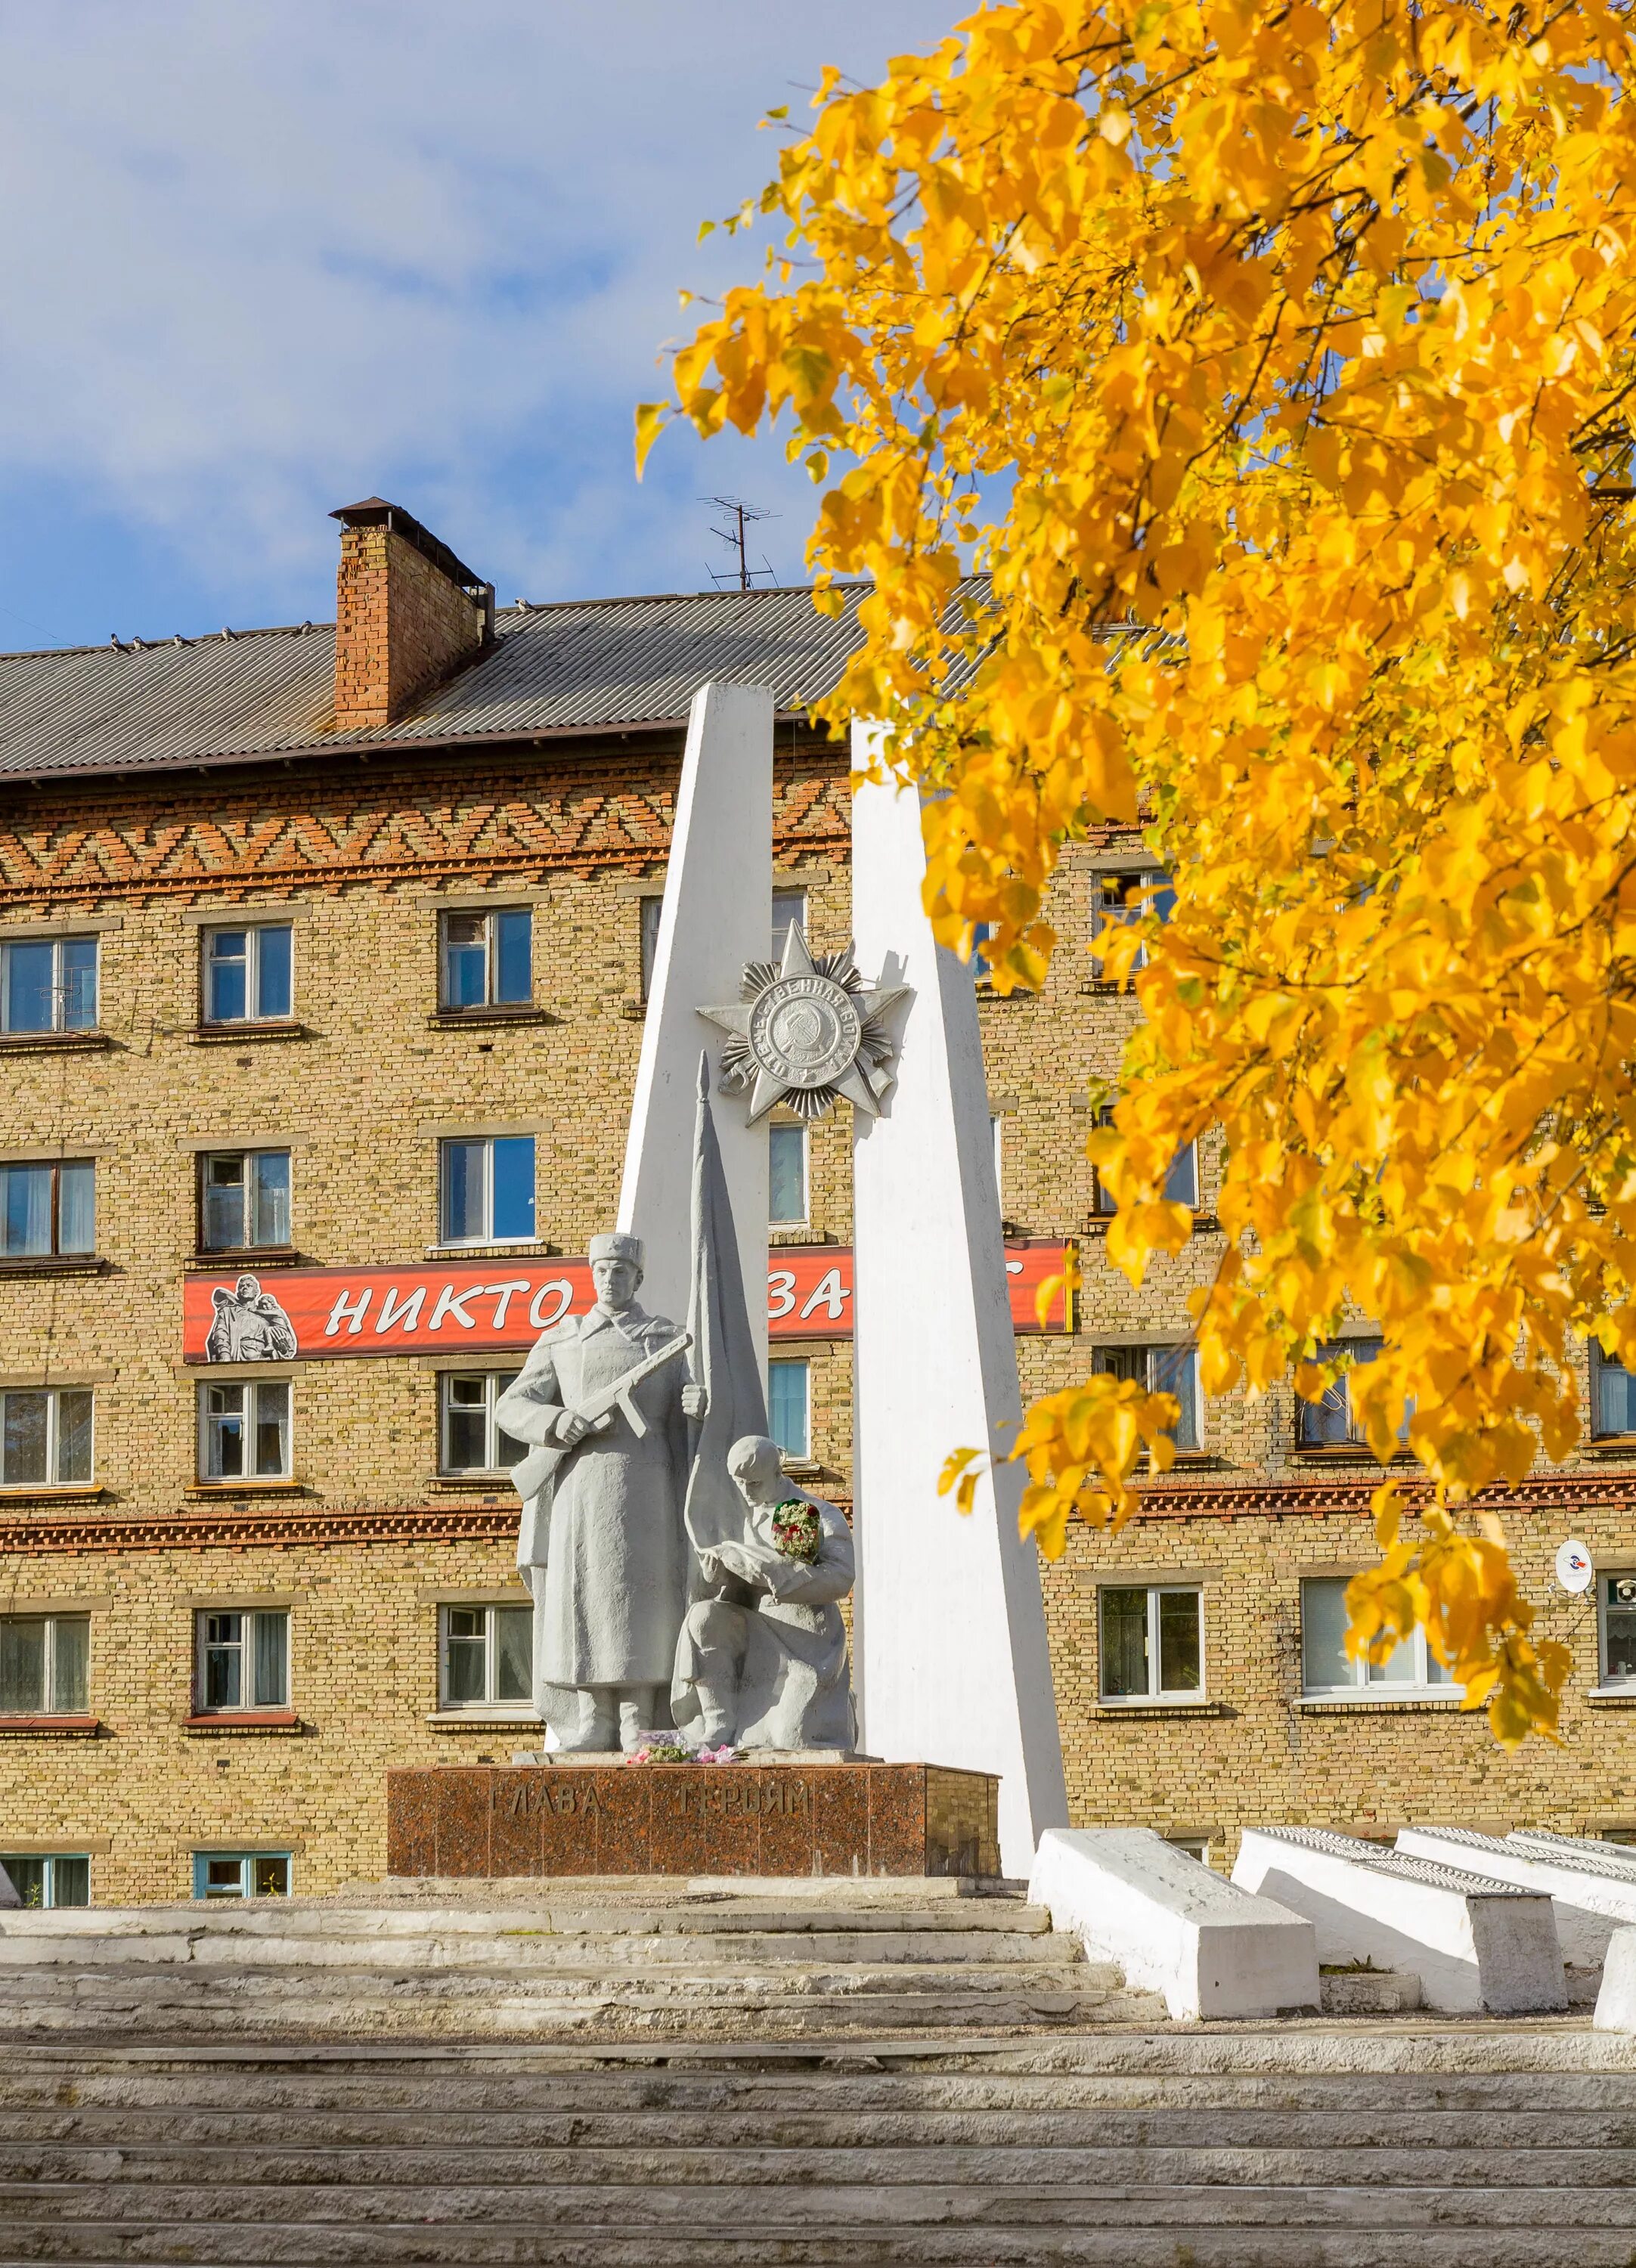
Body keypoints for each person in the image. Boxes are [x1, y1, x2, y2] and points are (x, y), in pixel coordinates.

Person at [496, 1232, 704, 1754]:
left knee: (643, 1600)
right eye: (602, 1270)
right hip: (580, 1485)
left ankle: (638, 1718)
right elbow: (510, 1406)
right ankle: (593, 1719)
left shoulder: (663, 1339)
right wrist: (556, 1421)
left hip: (647, 1483)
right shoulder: (563, 1339)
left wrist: (700, 1405)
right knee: (583, 1597)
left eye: (621, 1271)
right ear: (592, 1276)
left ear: (638, 1278)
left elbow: (691, 1412)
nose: (611, 1279)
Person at [671, 1433, 855, 1752]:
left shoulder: (818, 1513)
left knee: (791, 1740)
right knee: (703, 1617)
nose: (746, 1492)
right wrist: (722, 1573)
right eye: (739, 1483)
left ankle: (833, 1713)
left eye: (754, 1483)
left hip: (805, 1641)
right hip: (753, 1628)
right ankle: (719, 1722)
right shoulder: (740, 1518)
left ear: (776, 1472)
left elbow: (841, 1577)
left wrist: (778, 1573)